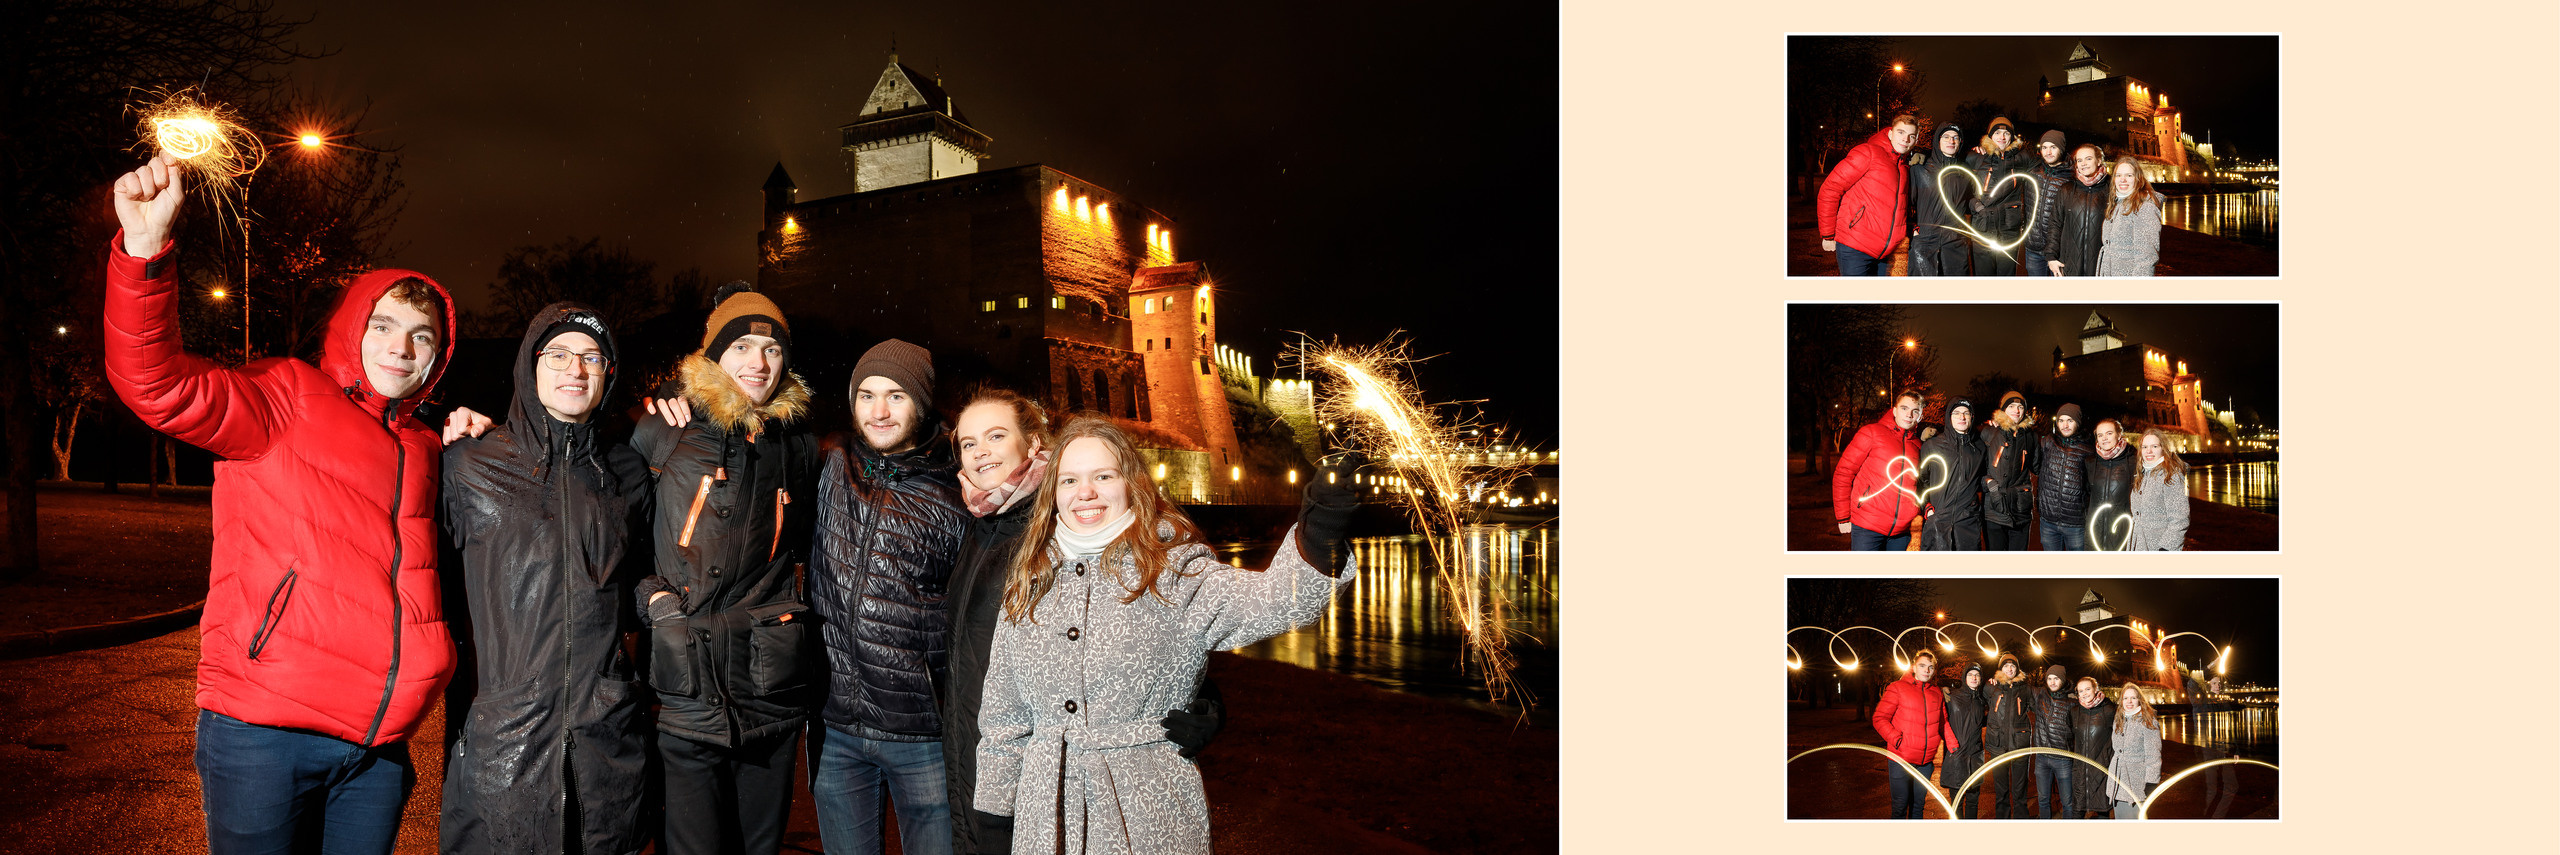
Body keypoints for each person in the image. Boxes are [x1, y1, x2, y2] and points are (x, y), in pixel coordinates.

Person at [104, 154, 486, 853]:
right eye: (385, 325)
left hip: (375, 750)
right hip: (264, 736)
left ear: (438, 357)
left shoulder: (427, 448)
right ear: (351, 327)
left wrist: (479, 444)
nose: (401, 347)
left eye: (422, 336)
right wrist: (144, 251)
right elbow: (155, 383)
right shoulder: (286, 395)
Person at [972, 418, 1359, 854]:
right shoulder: (1030, 579)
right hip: (1045, 819)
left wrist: (1322, 526)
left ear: (1132, 483)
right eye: (1070, 480)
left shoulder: (1178, 573)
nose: (1086, 493)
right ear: (1054, 493)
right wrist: (994, 816)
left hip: (1151, 816)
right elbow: (1004, 716)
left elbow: (1281, 601)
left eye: (1104, 476)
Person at [938, 390, 1223, 853]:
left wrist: (1205, 702)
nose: (980, 451)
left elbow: (1153, 614)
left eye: (995, 435)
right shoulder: (974, 521)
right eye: (968, 443)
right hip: (979, 761)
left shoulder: (1069, 521)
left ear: (1033, 445)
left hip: (1045, 782)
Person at [438, 304, 654, 854]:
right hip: (501, 745)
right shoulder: (469, 464)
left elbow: (636, 582)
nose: (574, 370)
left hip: (602, 744)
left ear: (608, 374)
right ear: (529, 368)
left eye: (591, 358)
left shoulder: (627, 473)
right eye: (557, 354)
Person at [634, 282, 822, 855]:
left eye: (771, 349)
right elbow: (611, 516)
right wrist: (655, 603)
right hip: (686, 685)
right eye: (740, 347)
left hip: (770, 688)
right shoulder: (667, 427)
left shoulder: (798, 442)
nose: (758, 363)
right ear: (714, 355)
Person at [800, 339, 973, 855]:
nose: (878, 411)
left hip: (921, 732)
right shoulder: (829, 465)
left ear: (921, 403)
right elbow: (747, 432)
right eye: (866, 395)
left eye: (896, 396)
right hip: (834, 729)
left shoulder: (958, 490)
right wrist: (677, 398)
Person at [1816, 115, 1918, 276]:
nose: (1905, 139)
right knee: (1858, 300)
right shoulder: (1868, 152)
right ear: (1890, 134)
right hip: (1855, 247)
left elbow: (1899, 204)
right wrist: (1828, 235)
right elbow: (1831, 189)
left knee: (1874, 300)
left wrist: (1910, 227)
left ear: (1916, 140)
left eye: (1911, 136)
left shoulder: (1903, 166)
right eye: (1901, 132)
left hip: (1884, 252)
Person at [1832, 393, 1924, 551]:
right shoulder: (1872, 432)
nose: (1909, 414)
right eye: (1904, 408)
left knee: (1892, 576)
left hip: (1900, 533)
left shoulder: (1918, 445)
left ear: (1920, 416)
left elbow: (1921, 483)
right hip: (1867, 527)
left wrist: (1916, 508)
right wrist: (1843, 517)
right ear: (1894, 411)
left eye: (1915, 411)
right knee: (1868, 576)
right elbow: (1844, 472)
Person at [1870, 650, 1945, 819]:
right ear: (1913, 667)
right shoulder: (1897, 688)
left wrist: (1954, 746)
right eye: (1922, 665)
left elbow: (1943, 722)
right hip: (1900, 760)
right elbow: (1880, 718)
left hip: (1925, 763)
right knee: (1900, 806)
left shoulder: (1936, 692)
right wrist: (1897, 740)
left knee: (1918, 806)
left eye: (1931, 667)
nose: (1927, 670)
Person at [2032, 143, 2113, 277]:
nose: (2083, 164)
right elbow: (2055, 224)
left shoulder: (2111, 188)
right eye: (2079, 160)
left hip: (2101, 265)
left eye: (2088, 159)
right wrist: (2051, 257)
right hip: (2070, 264)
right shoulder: (2067, 189)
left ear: (2099, 161)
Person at [1963, 117, 2031, 277]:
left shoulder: (2021, 158)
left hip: (2009, 229)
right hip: (1983, 226)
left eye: (2006, 133)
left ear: (2012, 137)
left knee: (2005, 280)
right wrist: (1977, 207)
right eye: (1998, 132)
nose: (2002, 137)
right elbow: (1964, 189)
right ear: (1990, 136)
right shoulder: (1975, 157)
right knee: (1984, 278)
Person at [1917, 397, 1986, 550]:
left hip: (1967, 522)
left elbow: (1983, 477)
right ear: (1949, 417)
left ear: (1972, 417)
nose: (1962, 417)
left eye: (1966, 413)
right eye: (1956, 413)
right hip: (1938, 520)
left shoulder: (1980, 447)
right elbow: (1921, 481)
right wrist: (1926, 507)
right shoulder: (1932, 446)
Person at [1906, 122, 1974, 277]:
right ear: (1938, 140)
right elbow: (1907, 203)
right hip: (1925, 241)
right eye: (1946, 137)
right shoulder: (1920, 169)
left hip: (1955, 242)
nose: (1951, 141)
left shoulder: (1965, 171)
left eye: (1956, 138)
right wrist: (1912, 229)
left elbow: (1970, 199)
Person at [1979, 392, 2038, 551]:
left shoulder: (2030, 436)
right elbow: (1976, 468)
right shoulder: (1988, 432)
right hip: (1994, 508)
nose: (2016, 411)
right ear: (2003, 409)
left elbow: (2038, 467)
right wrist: (1989, 484)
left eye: (2020, 407)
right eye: (2011, 406)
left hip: (2020, 509)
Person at [1982, 654, 2036, 818]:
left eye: (2013, 666)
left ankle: (2021, 820)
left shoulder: (2026, 689)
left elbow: (2041, 702)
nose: (2010, 669)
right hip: (1998, 745)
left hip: (2019, 744)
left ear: (2017, 669)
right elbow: (1973, 697)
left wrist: (2067, 694)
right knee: (2001, 790)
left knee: (2020, 790)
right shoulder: (1991, 687)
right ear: (2001, 668)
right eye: (2006, 666)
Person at [2035, 403, 2093, 551]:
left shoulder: (2088, 449)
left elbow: (2091, 486)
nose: (2065, 425)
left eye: (2070, 420)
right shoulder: (2048, 442)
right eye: (2061, 420)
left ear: (2078, 423)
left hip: (2075, 525)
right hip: (2048, 522)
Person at [2096, 157, 2166, 276]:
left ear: (2138, 178)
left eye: (2129, 175)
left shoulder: (2145, 207)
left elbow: (2147, 258)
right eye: (2118, 175)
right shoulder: (2116, 204)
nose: (2122, 179)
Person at [2127, 431, 2192, 552]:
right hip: (2139, 545)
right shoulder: (2142, 474)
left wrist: (2165, 548)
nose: (2149, 451)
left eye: (2154, 446)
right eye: (2144, 447)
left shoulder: (2172, 475)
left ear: (2163, 448)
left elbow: (2180, 519)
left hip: (2158, 547)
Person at [1939, 661, 1989, 819]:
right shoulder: (1952, 697)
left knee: (1974, 801)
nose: (1974, 678)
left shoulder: (1981, 701)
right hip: (1957, 757)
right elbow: (1941, 721)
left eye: (1977, 675)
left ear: (1980, 679)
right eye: (1970, 675)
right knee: (1957, 802)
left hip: (1975, 757)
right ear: (1964, 677)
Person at [2067, 676, 2120, 819]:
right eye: (2080, 691)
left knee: (2102, 813)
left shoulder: (2109, 710)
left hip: (2101, 771)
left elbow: (2119, 739)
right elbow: (2070, 738)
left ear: (2096, 689)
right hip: (2080, 772)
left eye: (2088, 689)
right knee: (2077, 813)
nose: (2084, 693)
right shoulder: (2074, 712)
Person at [2107, 683, 2163, 819]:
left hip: (2136, 783)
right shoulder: (2118, 720)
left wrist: (2151, 782)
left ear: (2139, 700)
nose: (2129, 702)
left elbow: (2154, 755)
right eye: (2125, 698)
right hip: (2117, 780)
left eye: (2133, 698)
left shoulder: (2148, 722)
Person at [2021, 130, 2072, 277]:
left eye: (2053, 147)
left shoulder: (2071, 177)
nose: (2048, 152)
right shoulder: (2033, 171)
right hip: (2033, 248)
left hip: (2058, 252)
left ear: (2061, 149)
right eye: (2044, 147)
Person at [2081, 418, 2137, 551]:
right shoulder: (2090, 462)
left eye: (2109, 433)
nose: (2104, 438)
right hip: (2095, 534)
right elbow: (2085, 494)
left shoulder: (2134, 460)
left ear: (2119, 435)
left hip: (2122, 533)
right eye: (2100, 435)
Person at [2029, 665, 2077, 819]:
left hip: (2063, 758)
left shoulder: (2072, 702)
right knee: (2043, 800)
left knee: (2067, 802)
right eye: (2049, 678)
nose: (2052, 682)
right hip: (2042, 758)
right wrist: (1994, 681)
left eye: (2056, 678)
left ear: (2062, 680)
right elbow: (2020, 684)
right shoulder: (2040, 695)